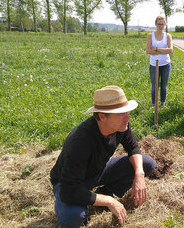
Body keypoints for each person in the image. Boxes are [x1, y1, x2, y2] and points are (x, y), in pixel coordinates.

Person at [50, 86, 156, 227]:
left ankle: (105, 191)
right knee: (73, 217)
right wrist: (109, 201)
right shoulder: (81, 141)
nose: (128, 117)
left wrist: (139, 174)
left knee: (146, 163)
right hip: (70, 183)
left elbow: (133, 148)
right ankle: (88, 201)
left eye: (127, 112)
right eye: (121, 114)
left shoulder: (121, 126)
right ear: (102, 116)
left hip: (98, 170)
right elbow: (68, 191)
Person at [146, 16, 173, 107]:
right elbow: (148, 51)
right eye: (159, 24)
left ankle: (162, 103)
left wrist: (156, 49)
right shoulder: (151, 36)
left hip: (165, 64)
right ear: (155, 24)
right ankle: (154, 104)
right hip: (154, 65)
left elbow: (170, 50)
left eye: (162, 24)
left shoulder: (168, 36)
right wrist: (163, 50)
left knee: (164, 86)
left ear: (165, 24)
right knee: (155, 86)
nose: (161, 26)